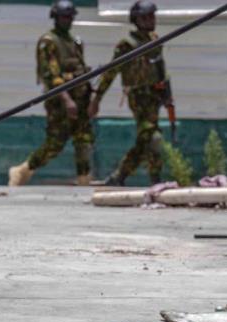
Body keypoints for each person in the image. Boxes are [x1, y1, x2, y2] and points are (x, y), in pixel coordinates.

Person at [8, 0, 96, 186]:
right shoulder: (49, 42)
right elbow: (51, 76)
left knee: (84, 141)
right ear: (55, 18)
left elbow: (80, 70)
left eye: (70, 17)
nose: (68, 20)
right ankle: (23, 170)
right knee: (55, 144)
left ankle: (84, 179)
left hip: (80, 100)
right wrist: (67, 100)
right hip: (60, 102)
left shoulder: (74, 42)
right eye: (64, 17)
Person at [89, 0, 172, 186]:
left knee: (147, 141)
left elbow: (161, 69)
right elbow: (110, 73)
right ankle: (148, 179)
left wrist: (167, 95)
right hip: (138, 96)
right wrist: (97, 99)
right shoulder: (127, 44)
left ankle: (122, 177)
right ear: (136, 20)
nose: (151, 20)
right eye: (145, 17)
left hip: (154, 96)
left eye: (152, 16)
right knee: (152, 137)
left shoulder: (154, 40)